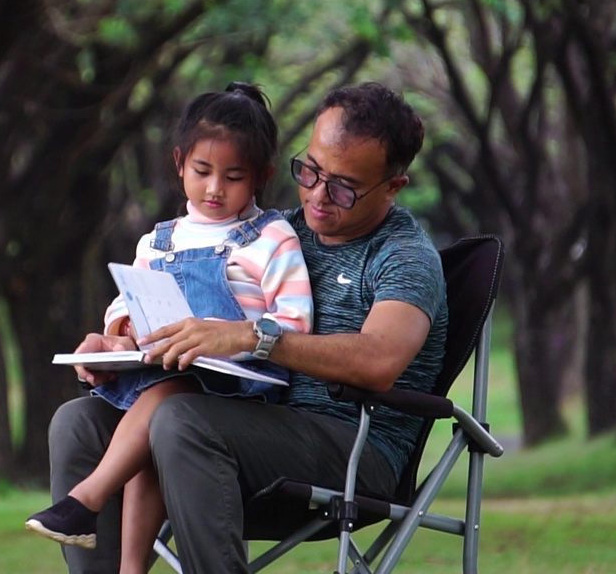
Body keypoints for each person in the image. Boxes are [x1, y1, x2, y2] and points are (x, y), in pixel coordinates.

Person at [48, 81, 448, 574]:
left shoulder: (403, 256)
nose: (318, 197)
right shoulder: (267, 233)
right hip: (236, 419)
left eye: (343, 186)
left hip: (351, 446)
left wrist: (253, 335)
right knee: (79, 423)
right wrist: (121, 340)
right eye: (311, 171)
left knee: (181, 420)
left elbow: (380, 359)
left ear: (392, 185)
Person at [26, 82, 314, 573]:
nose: (215, 189)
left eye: (234, 177)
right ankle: (130, 567)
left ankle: (88, 499)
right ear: (180, 163)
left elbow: (295, 324)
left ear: (261, 178)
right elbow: (129, 303)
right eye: (202, 171)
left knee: (171, 402)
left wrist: (235, 335)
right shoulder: (158, 241)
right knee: (159, 410)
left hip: (239, 388)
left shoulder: (270, 236)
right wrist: (117, 334)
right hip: (166, 380)